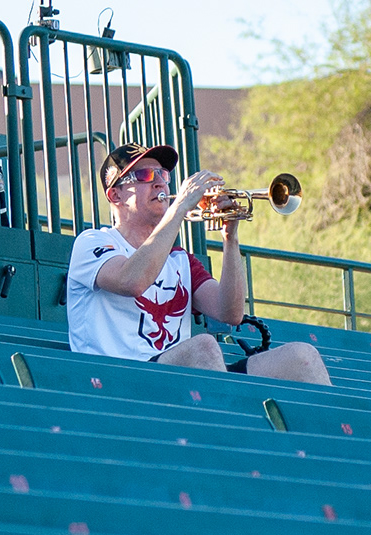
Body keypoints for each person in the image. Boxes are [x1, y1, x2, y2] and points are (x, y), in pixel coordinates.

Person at [66, 142, 331, 383]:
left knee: (301, 356)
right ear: (115, 196)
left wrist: (231, 238)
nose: (159, 183)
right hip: (117, 379)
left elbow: (231, 313)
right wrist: (180, 208)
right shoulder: (93, 243)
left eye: (163, 175)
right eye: (146, 175)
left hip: (175, 377)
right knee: (202, 347)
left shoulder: (179, 259)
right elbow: (131, 281)